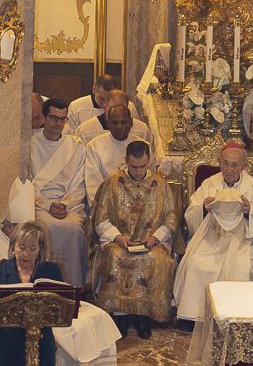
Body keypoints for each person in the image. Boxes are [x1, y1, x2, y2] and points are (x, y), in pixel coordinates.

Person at [173, 140, 253, 323]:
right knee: (197, 263)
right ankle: (194, 318)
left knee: (242, 267)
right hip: (212, 237)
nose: (229, 170)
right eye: (225, 164)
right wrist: (204, 209)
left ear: (244, 166)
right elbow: (191, 212)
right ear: (219, 163)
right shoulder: (209, 184)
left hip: (243, 239)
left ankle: (238, 317)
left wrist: (249, 212)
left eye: (235, 165)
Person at [88, 141, 177, 340]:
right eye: (134, 166)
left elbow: (171, 218)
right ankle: (120, 316)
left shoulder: (161, 186)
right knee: (115, 257)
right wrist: (116, 236)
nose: (138, 171)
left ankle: (144, 317)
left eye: (143, 166)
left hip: (150, 242)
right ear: (126, 161)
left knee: (157, 259)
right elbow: (100, 218)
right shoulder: (112, 184)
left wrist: (155, 238)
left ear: (149, 161)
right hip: (119, 241)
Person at [0, 221, 64, 366]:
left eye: (32, 248)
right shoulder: (1, 269)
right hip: (8, 343)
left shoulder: (50, 270)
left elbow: (59, 307)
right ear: (13, 246)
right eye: (21, 247)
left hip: (41, 342)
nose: (26, 254)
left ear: (40, 249)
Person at [32, 98, 87, 287]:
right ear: (44, 118)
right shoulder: (30, 145)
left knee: (73, 228)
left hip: (68, 205)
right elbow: (26, 183)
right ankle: (44, 284)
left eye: (62, 119)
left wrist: (64, 204)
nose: (58, 124)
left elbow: (79, 182)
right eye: (54, 118)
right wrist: (49, 205)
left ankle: (73, 287)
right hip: (39, 204)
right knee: (46, 227)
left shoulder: (76, 145)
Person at [84, 106, 148, 206]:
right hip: (107, 205)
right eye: (115, 122)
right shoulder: (94, 147)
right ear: (108, 123)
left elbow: (149, 181)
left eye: (123, 122)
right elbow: (93, 185)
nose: (119, 127)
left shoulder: (144, 146)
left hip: (139, 204)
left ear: (131, 123)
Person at [76, 90, 152, 147]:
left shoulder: (142, 130)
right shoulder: (85, 130)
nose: (117, 112)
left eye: (122, 108)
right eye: (113, 108)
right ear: (105, 107)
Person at [66, 76, 139, 134]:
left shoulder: (129, 107)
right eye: (102, 99)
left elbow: (136, 130)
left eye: (110, 98)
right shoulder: (77, 107)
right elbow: (70, 134)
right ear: (94, 89)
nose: (105, 104)